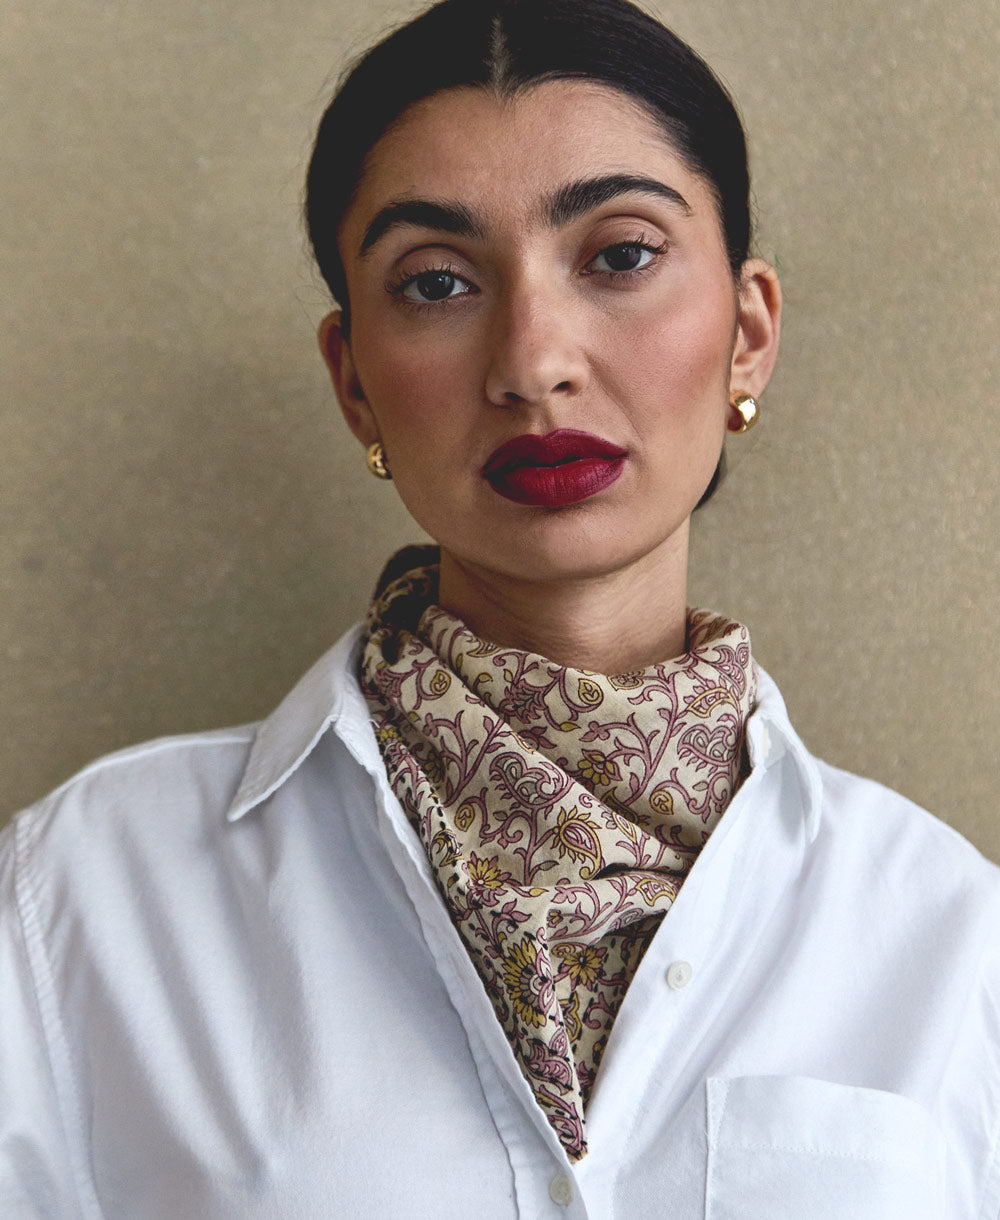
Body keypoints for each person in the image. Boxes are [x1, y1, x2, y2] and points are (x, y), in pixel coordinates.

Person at [2, 0, 998, 1215]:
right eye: (435, 282)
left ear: (746, 334)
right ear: (354, 381)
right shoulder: (88, 895)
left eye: (619, 255)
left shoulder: (945, 933)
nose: (533, 359)